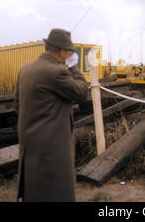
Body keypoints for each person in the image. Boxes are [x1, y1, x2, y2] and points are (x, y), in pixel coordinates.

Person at [15, 28, 89, 202]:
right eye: (69, 52)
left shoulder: (25, 70)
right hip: (52, 154)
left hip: (30, 150)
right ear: (62, 51)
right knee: (56, 195)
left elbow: (18, 106)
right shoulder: (56, 72)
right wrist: (74, 66)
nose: (69, 55)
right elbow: (82, 93)